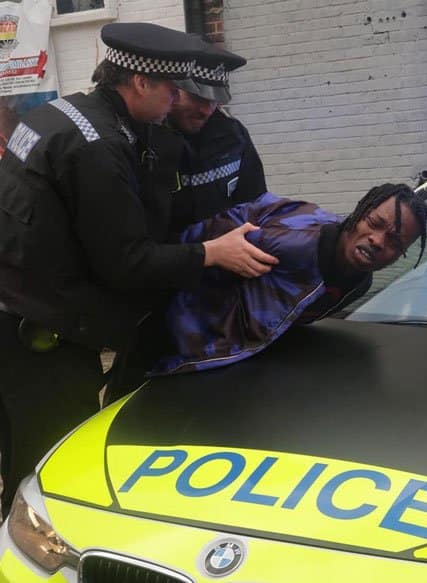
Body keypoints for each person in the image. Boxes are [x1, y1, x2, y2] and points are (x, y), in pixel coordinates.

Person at [0, 22, 277, 513]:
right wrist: (213, 253)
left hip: (17, 314)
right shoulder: (101, 147)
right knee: (53, 481)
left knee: (18, 463)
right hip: (42, 343)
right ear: (140, 82)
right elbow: (127, 261)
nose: (178, 103)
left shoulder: (50, 116)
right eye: (173, 90)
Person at [151, 183, 427, 376]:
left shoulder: (359, 280)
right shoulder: (292, 245)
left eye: (394, 241)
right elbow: (192, 249)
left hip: (241, 367)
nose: (377, 241)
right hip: (179, 350)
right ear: (359, 214)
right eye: (374, 224)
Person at [168, 38, 267, 230]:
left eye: (214, 100)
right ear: (172, 90)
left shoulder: (235, 137)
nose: (206, 110)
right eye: (198, 98)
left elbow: (255, 205)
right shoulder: (147, 142)